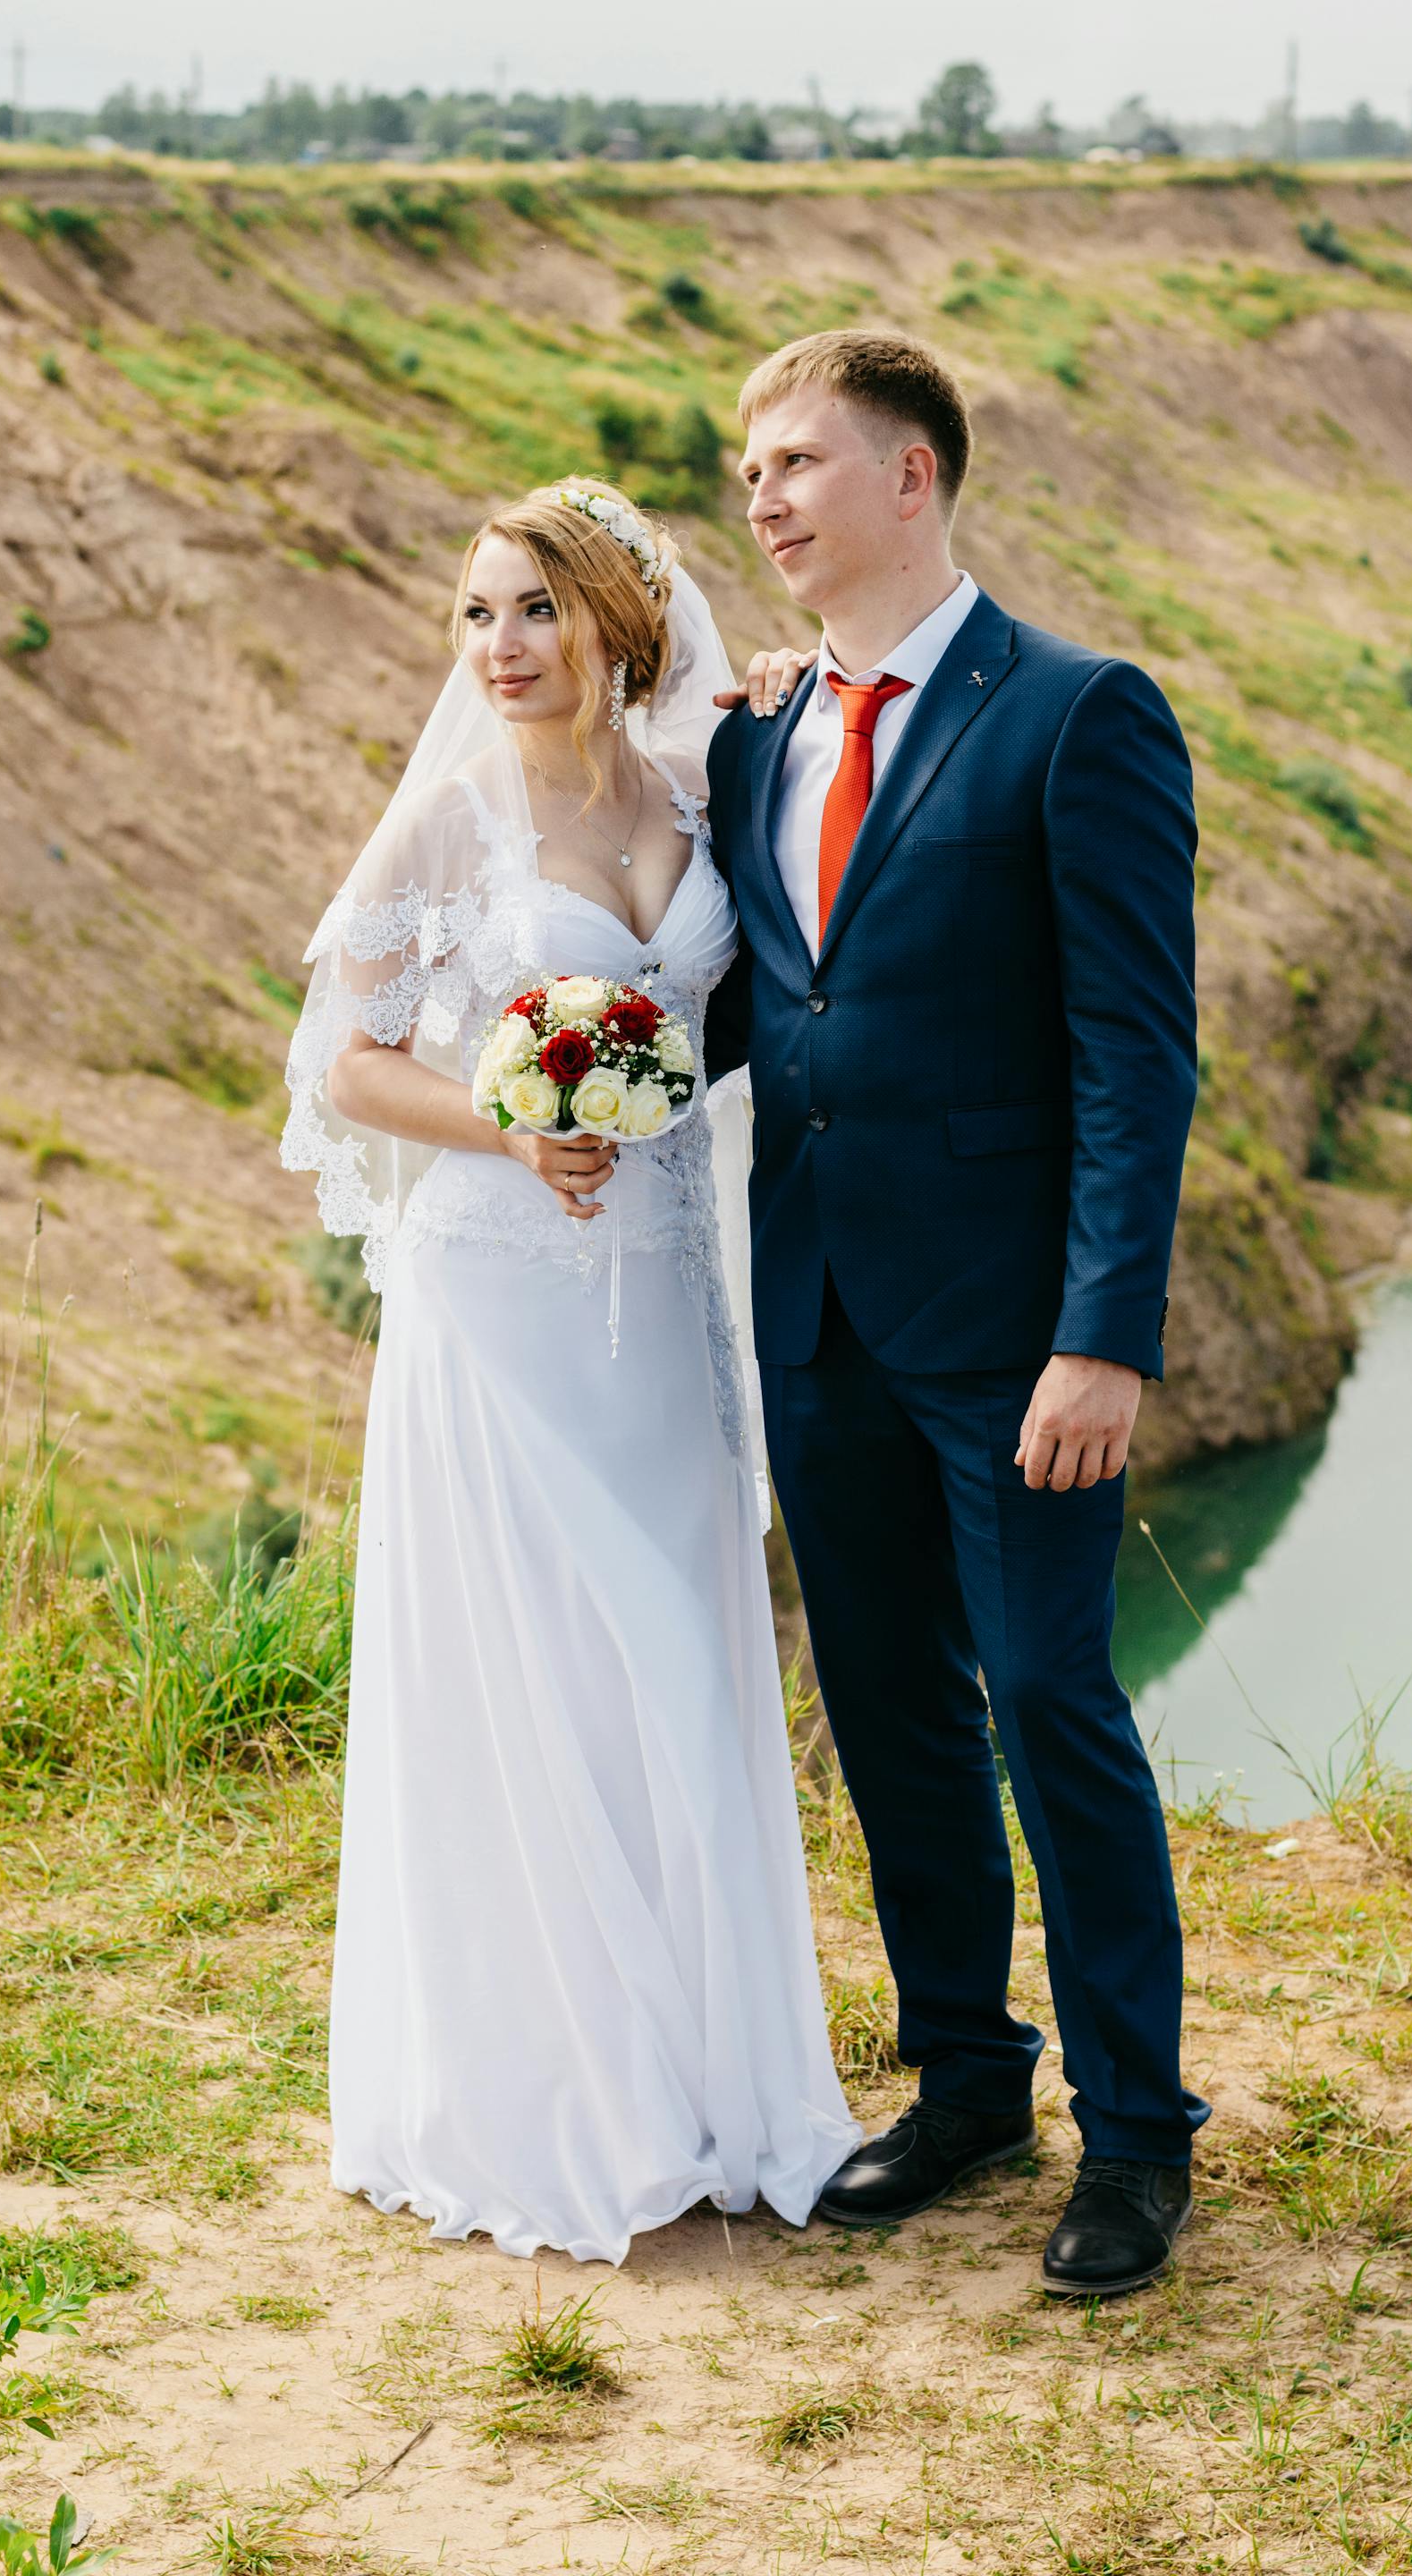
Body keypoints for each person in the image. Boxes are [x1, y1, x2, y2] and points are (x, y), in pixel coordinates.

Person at [282, 478, 857, 2267]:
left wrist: (775, 693)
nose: (503, 649)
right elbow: (342, 1064)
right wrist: (506, 1130)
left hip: (672, 1310)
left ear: (617, 622)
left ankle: (718, 2080)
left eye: (535, 610)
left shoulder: (695, 788)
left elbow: (749, 967)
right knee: (533, 1675)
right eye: (476, 616)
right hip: (507, 1307)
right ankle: (561, 2098)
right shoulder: (451, 826)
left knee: (682, 1662)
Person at [706, 330, 1210, 2298]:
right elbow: (770, 1003)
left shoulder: (1083, 714)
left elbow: (1132, 1052)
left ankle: (1141, 2137)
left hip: (1017, 1337)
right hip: (816, 1305)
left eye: (799, 460)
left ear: (914, 478)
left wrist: (1107, 1329)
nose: (762, 495)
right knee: (890, 1703)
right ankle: (971, 2082)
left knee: (1053, 1704)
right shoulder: (762, 734)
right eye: (748, 466)